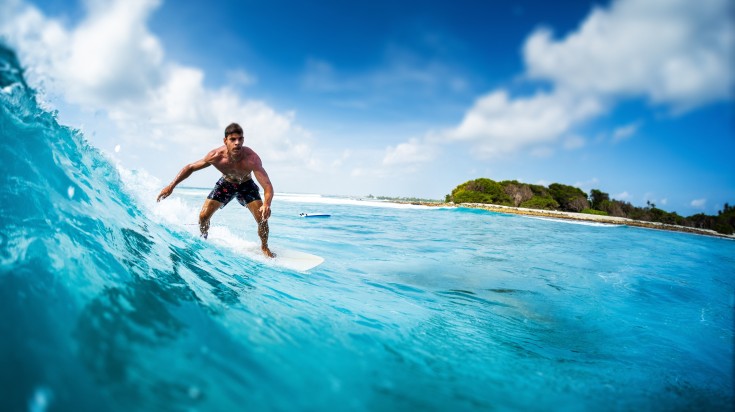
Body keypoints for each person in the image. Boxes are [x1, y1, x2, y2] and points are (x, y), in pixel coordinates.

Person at [156, 123, 275, 257]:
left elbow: (267, 185)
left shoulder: (252, 159)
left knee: (262, 218)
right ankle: (204, 237)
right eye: (233, 139)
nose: (237, 143)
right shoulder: (216, 155)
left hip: (246, 185)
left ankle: (264, 247)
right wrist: (171, 186)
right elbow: (190, 167)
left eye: (240, 139)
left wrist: (267, 204)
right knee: (203, 216)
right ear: (225, 141)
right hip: (226, 184)